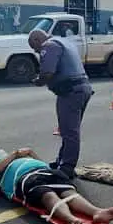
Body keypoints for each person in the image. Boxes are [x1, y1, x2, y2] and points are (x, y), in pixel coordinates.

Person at [0, 147, 113, 224]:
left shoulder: (26, 159)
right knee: (48, 195)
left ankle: (97, 212)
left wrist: (30, 153)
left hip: (46, 171)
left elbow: (42, 163)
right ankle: (70, 219)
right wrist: (14, 154)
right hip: (26, 178)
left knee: (69, 192)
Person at [28, 29, 94, 179]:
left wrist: (38, 81)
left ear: (38, 40)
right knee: (68, 129)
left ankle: (67, 168)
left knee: (70, 131)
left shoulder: (49, 46)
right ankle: (61, 162)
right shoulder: (64, 42)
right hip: (82, 89)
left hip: (70, 92)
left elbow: (48, 72)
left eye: (34, 47)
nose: (36, 51)